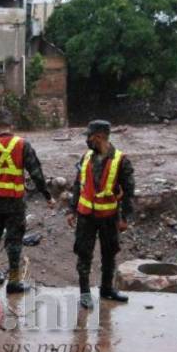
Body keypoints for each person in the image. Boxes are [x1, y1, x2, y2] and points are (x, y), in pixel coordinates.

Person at [0, 110, 53, 294]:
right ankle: (14, 281)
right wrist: (47, 196)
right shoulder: (23, 145)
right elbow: (36, 173)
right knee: (14, 240)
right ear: (11, 126)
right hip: (15, 201)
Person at [67, 120, 135, 310]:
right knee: (83, 253)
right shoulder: (86, 157)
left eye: (89, 137)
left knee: (109, 253)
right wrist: (71, 210)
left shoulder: (121, 160)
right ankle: (85, 293)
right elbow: (77, 185)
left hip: (109, 217)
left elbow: (129, 191)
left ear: (99, 137)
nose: (87, 141)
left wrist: (125, 217)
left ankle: (107, 289)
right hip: (86, 216)